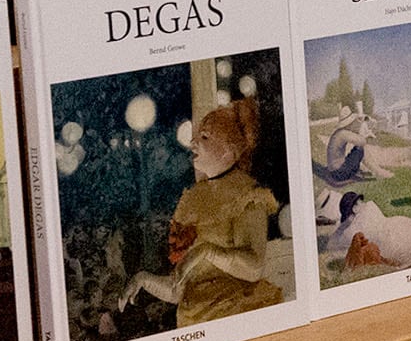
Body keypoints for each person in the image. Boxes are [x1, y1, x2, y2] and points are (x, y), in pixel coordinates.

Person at [122, 99, 287, 328]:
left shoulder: (246, 194)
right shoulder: (193, 198)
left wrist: (207, 251)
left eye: (205, 137)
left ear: (228, 150)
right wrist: (143, 279)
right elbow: (179, 289)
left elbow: (253, 269)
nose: (193, 142)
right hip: (193, 323)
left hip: (234, 316)